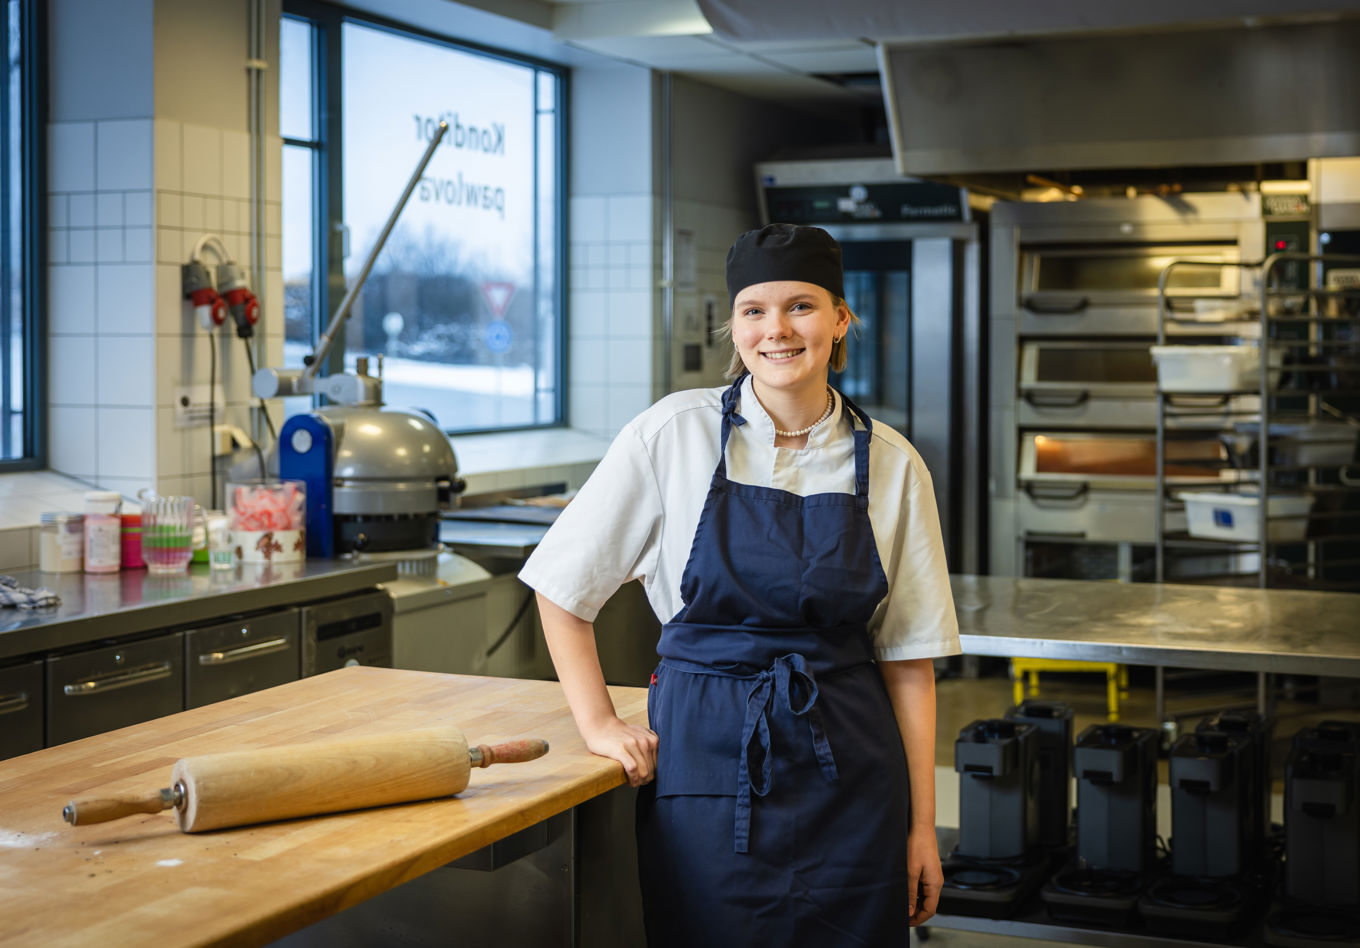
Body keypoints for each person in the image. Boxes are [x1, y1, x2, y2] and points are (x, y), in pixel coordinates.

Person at [519, 222, 961, 946]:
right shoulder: (672, 434)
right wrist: (597, 723)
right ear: (734, 325)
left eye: (802, 306)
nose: (777, 329)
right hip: (707, 756)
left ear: (841, 320)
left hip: (849, 766)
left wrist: (921, 827)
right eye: (754, 310)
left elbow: (909, 662)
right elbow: (562, 587)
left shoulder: (892, 463)